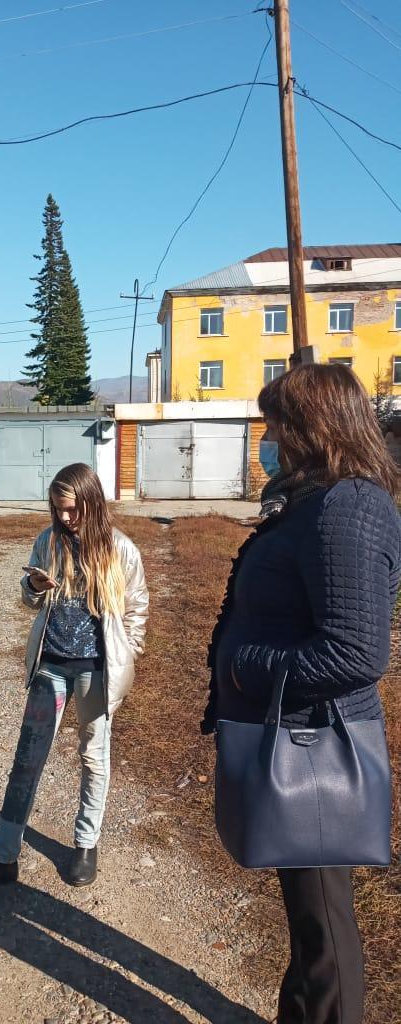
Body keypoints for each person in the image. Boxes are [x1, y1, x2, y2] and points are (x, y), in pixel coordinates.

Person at [203, 363, 401, 1024]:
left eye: (277, 423)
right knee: (310, 921)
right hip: (296, 732)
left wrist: (244, 666)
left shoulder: (349, 506)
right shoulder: (315, 500)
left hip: (318, 748)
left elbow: (356, 650)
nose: (268, 436)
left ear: (312, 428)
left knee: (323, 932)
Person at [0, 462, 148, 900]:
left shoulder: (122, 550)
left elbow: (137, 608)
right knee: (28, 758)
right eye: (57, 509)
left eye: (71, 509)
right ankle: (3, 858)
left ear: (91, 501)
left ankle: (85, 844)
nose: (64, 518)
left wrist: (127, 653)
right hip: (51, 665)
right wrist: (31, 585)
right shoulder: (47, 542)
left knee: (93, 756)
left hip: (94, 671)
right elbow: (30, 600)